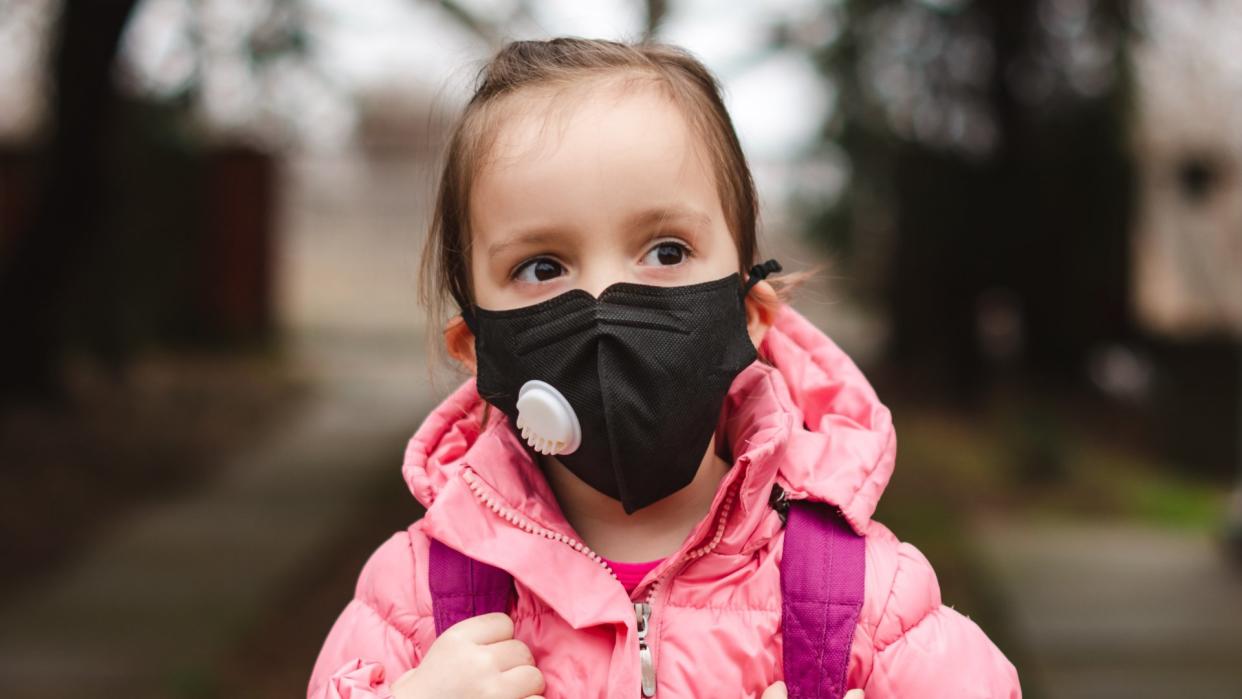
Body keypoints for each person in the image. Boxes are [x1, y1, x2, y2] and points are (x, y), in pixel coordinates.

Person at [307, 37, 1021, 699]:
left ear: (750, 312)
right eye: (543, 265)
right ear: (477, 348)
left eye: (667, 252)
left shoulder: (862, 603)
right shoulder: (419, 608)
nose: (604, 308)